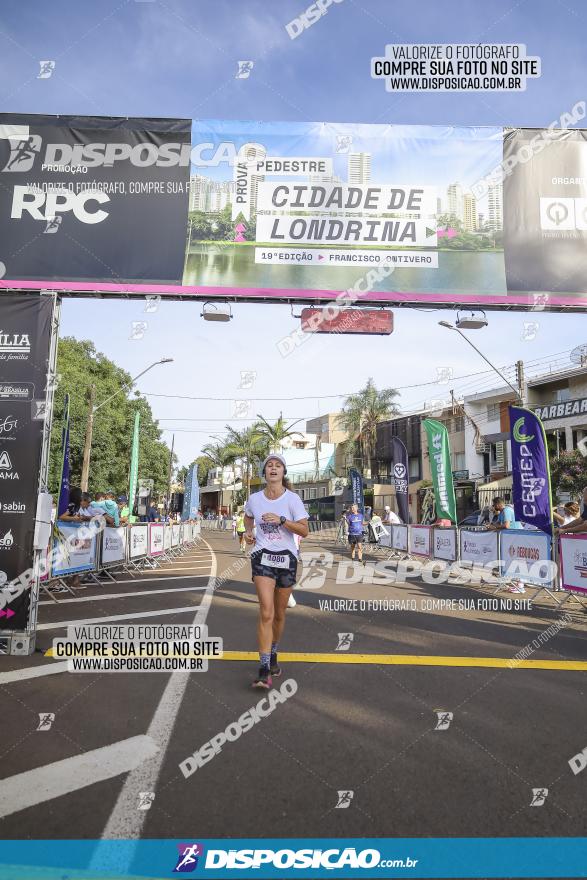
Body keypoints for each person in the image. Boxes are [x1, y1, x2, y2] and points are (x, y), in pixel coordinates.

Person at [243, 453, 308, 689]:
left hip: (287, 558)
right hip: (262, 557)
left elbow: (304, 531)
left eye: (277, 465)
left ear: (283, 472)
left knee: (280, 614)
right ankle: (263, 668)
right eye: (269, 465)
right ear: (264, 472)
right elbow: (248, 518)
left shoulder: (292, 500)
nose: (273, 468)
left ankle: (273, 652)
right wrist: (249, 532)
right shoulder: (254, 499)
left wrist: (282, 521)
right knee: (266, 612)